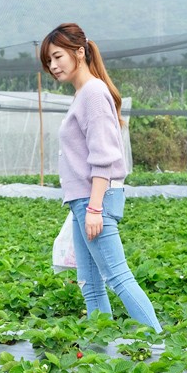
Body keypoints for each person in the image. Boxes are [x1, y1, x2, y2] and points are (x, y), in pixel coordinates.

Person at [41, 22, 162, 333]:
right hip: (84, 201)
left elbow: (104, 156)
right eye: (49, 61)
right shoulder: (84, 93)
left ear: (79, 52)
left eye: (58, 57)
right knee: (90, 284)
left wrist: (94, 208)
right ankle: (101, 352)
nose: (53, 66)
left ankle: (161, 349)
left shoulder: (93, 93)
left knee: (117, 276)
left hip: (95, 200)